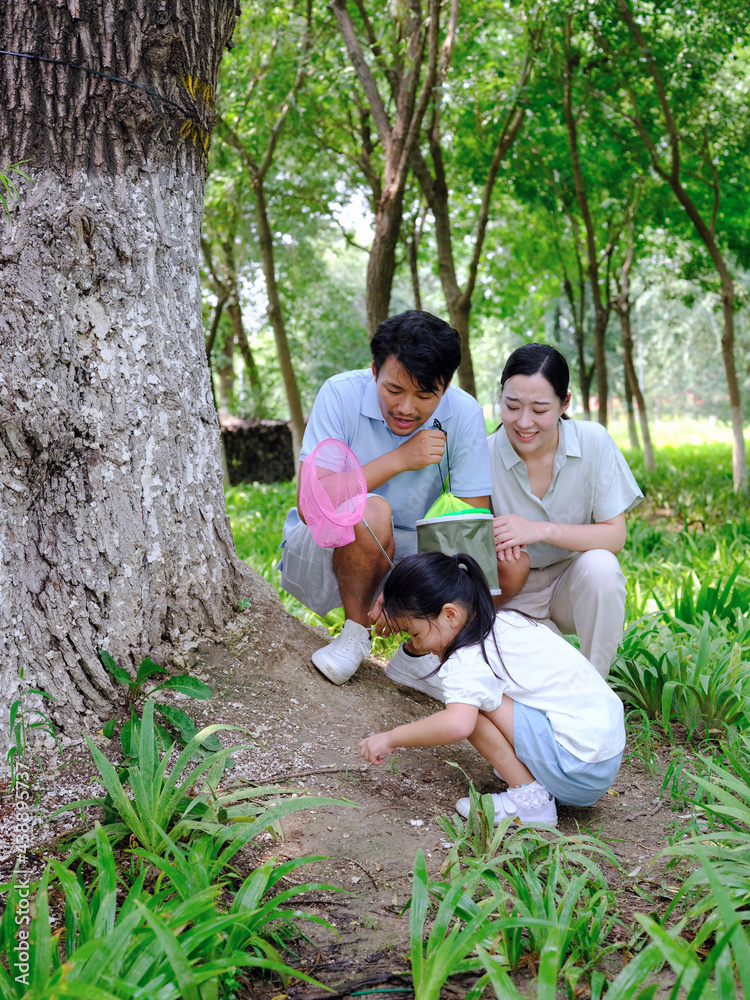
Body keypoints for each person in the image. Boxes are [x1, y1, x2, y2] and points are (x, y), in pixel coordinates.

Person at [279, 310, 508, 686]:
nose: (406, 408)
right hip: (326, 544)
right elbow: (310, 506)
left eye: (424, 395)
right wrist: (399, 459)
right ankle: (353, 637)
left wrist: (408, 583)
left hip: (408, 552)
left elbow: (468, 523)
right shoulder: (340, 394)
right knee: (371, 509)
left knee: (507, 561)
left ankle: (422, 654)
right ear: (374, 372)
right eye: (394, 390)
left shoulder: (464, 414)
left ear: (446, 385)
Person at [359, 552, 625, 826]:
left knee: (471, 711)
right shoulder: (505, 621)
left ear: (450, 614)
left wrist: (391, 738)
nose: (418, 646)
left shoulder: (469, 657)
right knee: (483, 697)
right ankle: (533, 771)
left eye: (416, 634)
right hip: (601, 759)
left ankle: (530, 803)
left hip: (577, 770)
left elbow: (457, 726)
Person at [488, 344, 643, 678]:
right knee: (535, 683)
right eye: (512, 406)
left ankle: (596, 687)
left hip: (571, 586)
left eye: (540, 409)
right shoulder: (483, 455)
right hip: (512, 596)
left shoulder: (593, 441)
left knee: (603, 567)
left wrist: (539, 529)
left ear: (565, 403)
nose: (524, 422)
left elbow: (615, 535)